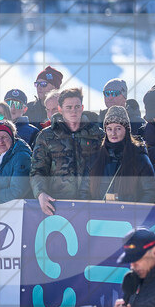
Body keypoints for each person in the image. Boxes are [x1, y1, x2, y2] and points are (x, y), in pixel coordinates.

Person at [30, 87, 105, 215]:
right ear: (60, 109)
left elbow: (107, 167)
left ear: (82, 107)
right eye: (68, 107)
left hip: (91, 205)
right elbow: (37, 169)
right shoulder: (47, 136)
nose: (73, 111)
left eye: (77, 107)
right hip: (57, 205)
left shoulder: (97, 134)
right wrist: (40, 193)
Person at [84, 106, 155, 202]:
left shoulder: (139, 156)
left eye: (118, 128)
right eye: (109, 129)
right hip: (99, 215)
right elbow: (84, 191)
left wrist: (136, 213)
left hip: (128, 215)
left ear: (126, 130)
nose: (113, 133)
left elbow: (150, 192)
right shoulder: (95, 156)